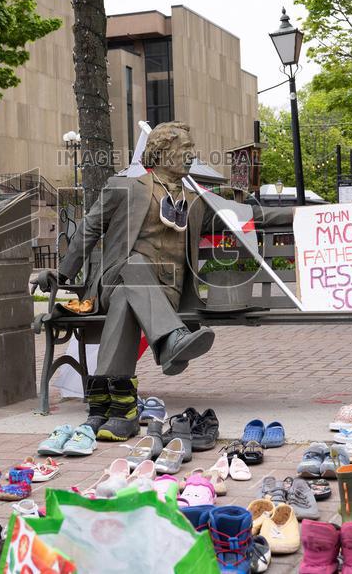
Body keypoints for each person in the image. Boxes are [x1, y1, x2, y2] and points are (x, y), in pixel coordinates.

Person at [34, 122, 293, 441]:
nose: (191, 155)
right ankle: (170, 341)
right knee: (134, 265)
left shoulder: (198, 203)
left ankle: (113, 411)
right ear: (161, 153)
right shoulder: (124, 188)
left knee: (128, 300)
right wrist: (61, 274)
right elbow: (88, 229)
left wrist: (304, 215)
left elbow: (250, 215)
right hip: (114, 278)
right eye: (185, 149)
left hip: (164, 295)